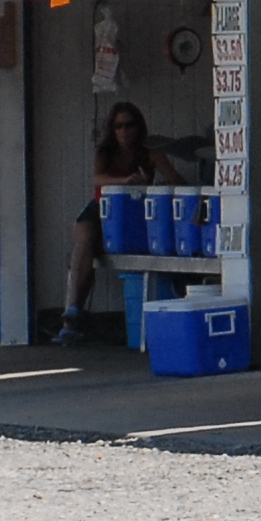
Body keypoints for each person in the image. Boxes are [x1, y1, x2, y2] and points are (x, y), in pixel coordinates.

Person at [60, 101, 156, 344]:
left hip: (134, 212)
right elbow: (97, 179)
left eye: (129, 125)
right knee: (85, 241)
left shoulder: (150, 152)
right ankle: (72, 311)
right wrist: (124, 180)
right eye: (118, 126)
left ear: (139, 127)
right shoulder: (105, 152)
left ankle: (74, 317)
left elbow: (174, 178)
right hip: (104, 207)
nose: (124, 131)